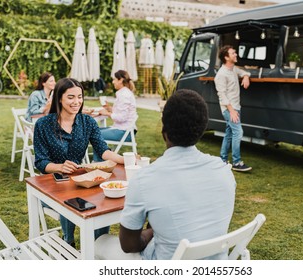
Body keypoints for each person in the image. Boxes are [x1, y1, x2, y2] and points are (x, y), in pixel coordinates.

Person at [95, 89, 236, 260]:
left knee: (100, 242)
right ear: (201, 130)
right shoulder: (223, 171)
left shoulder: (145, 178)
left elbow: (129, 245)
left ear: (164, 131)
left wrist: (152, 231)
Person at [33, 77, 124, 247]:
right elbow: (40, 162)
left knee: (101, 202)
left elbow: (103, 150)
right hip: (52, 186)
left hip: (79, 182)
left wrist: (125, 159)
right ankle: (69, 240)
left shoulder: (87, 122)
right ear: (59, 98)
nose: (77, 102)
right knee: (74, 201)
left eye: (80, 97)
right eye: (71, 97)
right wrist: (59, 167)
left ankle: (98, 244)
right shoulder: (43, 124)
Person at [214, 45, 252, 172]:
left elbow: (244, 72)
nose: (236, 54)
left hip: (236, 107)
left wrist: (246, 77)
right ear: (226, 57)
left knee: (229, 133)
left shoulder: (233, 69)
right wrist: (231, 111)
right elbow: (222, 95)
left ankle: (223, 160)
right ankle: (236, 162)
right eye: (233, 53)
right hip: (229, 109)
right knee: (238, 132)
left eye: (235, 53)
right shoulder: (221, 74)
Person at [94, 70, 138, 162]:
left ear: (120, 80)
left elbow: (122, 118)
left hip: (125, 132)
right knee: (93, 131)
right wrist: (109, 108)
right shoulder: (123, 93)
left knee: (95, 135)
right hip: (122, 129)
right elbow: (121, 112)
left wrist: (107, 113)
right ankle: (101, 161)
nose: (113, 81)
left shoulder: (124, 95)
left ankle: (99, 164)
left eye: (114, 79)